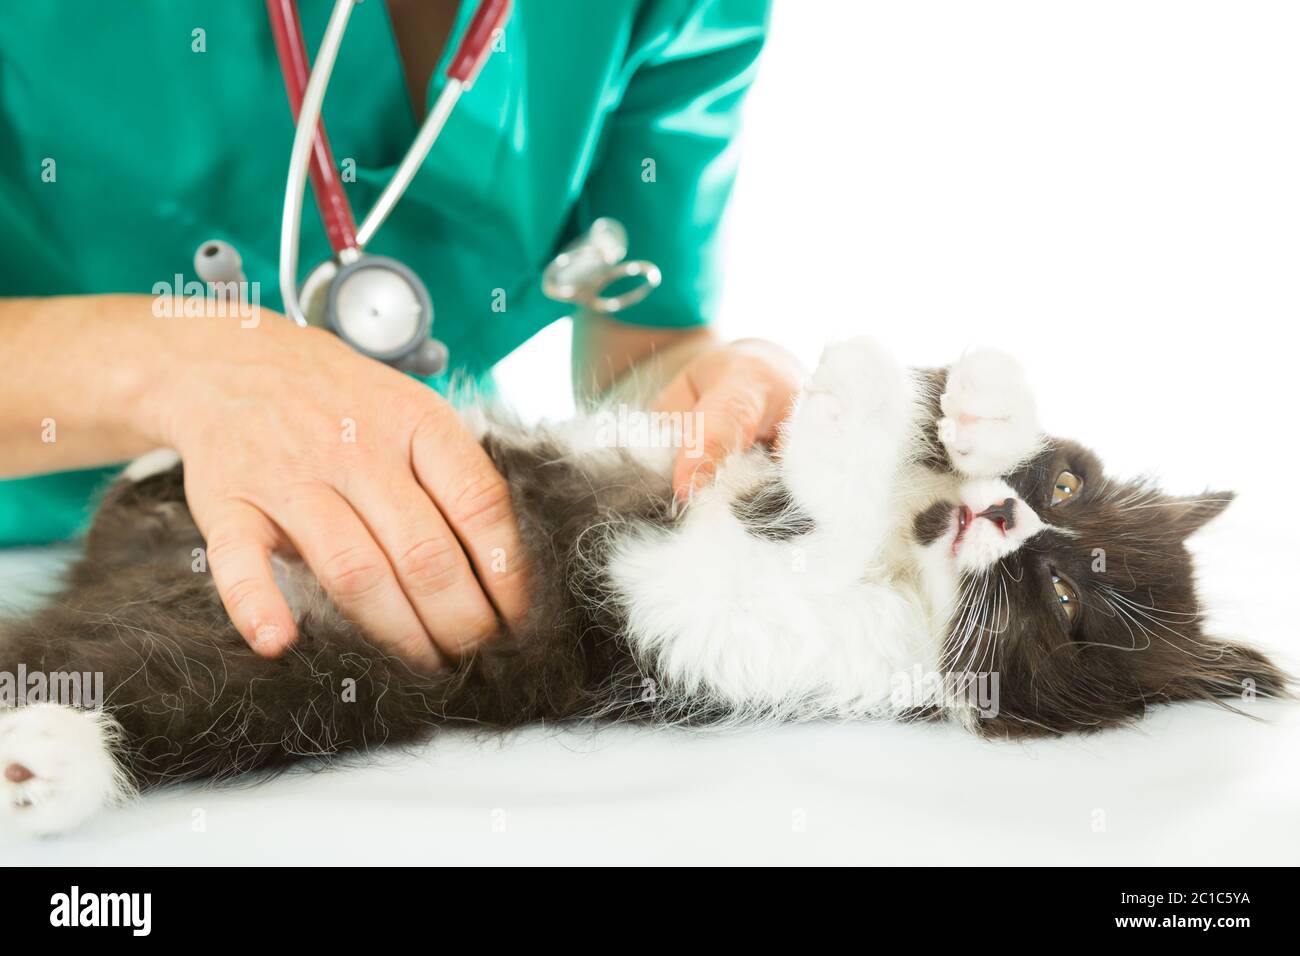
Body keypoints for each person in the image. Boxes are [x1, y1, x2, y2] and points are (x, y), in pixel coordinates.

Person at [0, 0, 802, 672]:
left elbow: (646, 356)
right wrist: (191, 368)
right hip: (37, 565)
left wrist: (718, 389)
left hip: (413, 577)